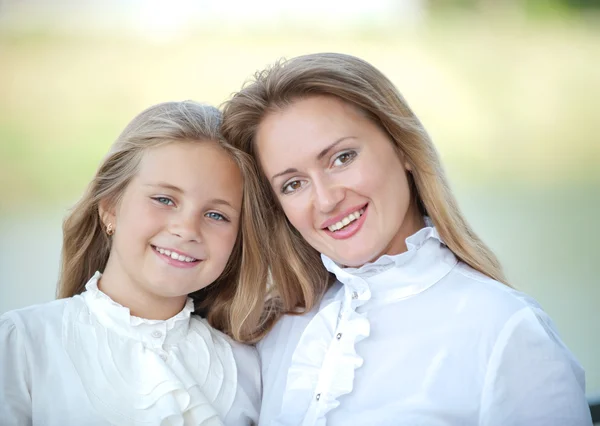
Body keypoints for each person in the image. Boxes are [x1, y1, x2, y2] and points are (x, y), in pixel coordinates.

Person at [221, 53, 593, 425]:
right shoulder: (268, 328)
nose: (326, 199)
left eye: (342, 158)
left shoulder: (503, 327)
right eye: (293, 184)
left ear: (402, 148)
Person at [0, 101, 265, 425]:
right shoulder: (23, 345)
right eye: (164, 199)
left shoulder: (248, 369)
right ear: (110, 207)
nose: (187, 229)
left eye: (216, 215)